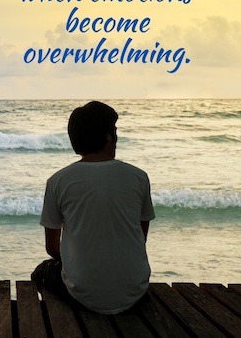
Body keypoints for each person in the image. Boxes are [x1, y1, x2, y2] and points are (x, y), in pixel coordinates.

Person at [38, 101, 155, 314]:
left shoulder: (58, 181)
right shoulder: (139, 177)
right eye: (115, 131)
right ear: (109, 137)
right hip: (134, 290)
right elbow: (140, 237)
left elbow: (53, 249)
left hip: (83, 295)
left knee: (42, 272)